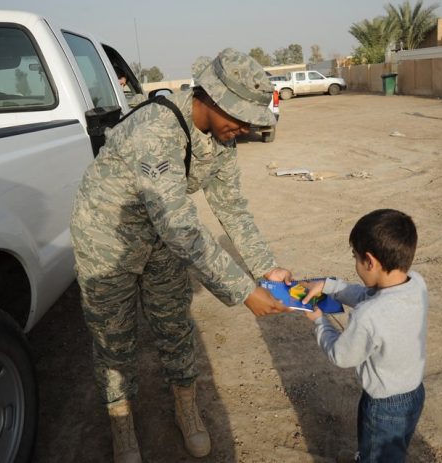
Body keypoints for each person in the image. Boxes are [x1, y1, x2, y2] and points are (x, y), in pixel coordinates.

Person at [70, 48, 291, 463]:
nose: (243, 129)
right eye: (238, 117)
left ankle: (185, 405)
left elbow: (232, 206)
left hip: (160, 238)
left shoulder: (222, 139)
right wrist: (245, 290)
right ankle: (121, 422)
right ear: (208, 97)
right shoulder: (155, 129)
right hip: (107, 239)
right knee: (113, 338)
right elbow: (180, 225)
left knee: (174, 323)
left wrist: (265, 267)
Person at [301, 209, 428, 463]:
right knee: (390, 448)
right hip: (413, 393)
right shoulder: (416, 283)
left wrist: (319, 321)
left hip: (383, 405)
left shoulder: (368, 315)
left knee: (380, 452)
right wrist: (330, 286)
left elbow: (341, 355)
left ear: (369, 261)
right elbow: (369, 295)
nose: (356, 264)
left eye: (355, 258)